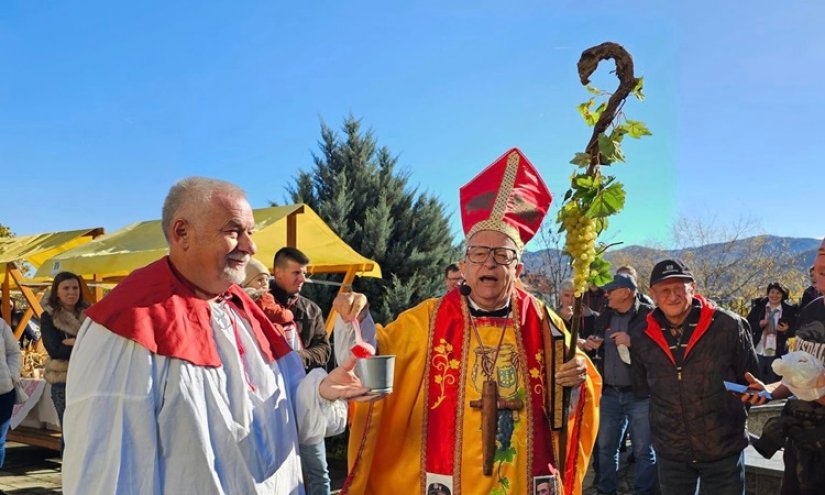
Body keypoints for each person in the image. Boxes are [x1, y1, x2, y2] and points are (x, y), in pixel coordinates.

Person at [62, 177, 369, 494]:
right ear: (182, 233)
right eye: (234, 231)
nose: (250, 247)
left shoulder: (243, 309)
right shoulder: (127, 322)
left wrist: (320, 392)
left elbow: (282, 417)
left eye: (250, 233)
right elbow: (106, 470)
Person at [332, 149, 601, 494]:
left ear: (517, 270)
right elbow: (370, 354)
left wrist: (577, 379)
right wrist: (355, 317)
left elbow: (574, 392)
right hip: (443, 479)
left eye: (502, 255)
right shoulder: (426, 320)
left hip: (520, 477)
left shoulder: (544, 321)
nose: (489, 263)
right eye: (478, 253)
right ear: (464, 267)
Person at [631, 259, 757, 495]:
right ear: (652, 294)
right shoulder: (640, 335)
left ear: (693, 287)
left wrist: (730, 422)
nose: (672, 296)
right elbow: (642, 387)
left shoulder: (729, 325)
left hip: (722, 450)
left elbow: (749, 381)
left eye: (679, 288)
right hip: (671, 453)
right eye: (664, 290)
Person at [745, 237, 825, 494]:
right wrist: (768, 390)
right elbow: (794, 377)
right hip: (799, 448)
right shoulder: (811, 311)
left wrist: (815, 389)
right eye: (822, 253)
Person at [269, 247, 333, 495]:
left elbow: (324, 350)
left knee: (318, 471)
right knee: (274, 470)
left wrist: (298, 358)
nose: (302, 279)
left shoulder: (311, 309)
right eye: (296, 272)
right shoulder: (257, 307)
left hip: (306, 402)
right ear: (278, 272)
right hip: (271, 402)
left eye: (304, 273)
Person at [589, 273, 657, 495]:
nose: (606, 293)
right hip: (609, 393)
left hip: (640, 395)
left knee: (643, 451)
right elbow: (597, 336)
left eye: (612, 289)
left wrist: (632, 342)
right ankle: (606, 490)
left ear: (627, 292)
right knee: (606, 449)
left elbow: (659, 351)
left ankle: (643, 492)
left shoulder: (649, 316)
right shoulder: (606, 314)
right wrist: (593, 342)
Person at [40, 271, 88, 449]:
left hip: (89, 378)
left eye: (75, 287)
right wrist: (84, 343)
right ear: (57, 292)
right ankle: (69, 475)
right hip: (64, 381)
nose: (71, 292)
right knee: (70, 434)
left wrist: (75, 342)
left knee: (89, 432)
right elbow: (56, 349)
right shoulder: (48, 317)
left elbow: (100, 343)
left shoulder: (90, 314)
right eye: (66, 288)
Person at [746, 282, 798, 383]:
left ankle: (772, 398)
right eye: (772, 292)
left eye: (778, 293)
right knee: (757, 378)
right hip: (759, 349)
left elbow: (795, 330)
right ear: (768, 293)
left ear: (783, 295)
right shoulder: (759, 307)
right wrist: (760, 324)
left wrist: (786, 330)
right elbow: (747, 325)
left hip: (777, 350)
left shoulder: (789, 310)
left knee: (773, 379)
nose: (774, 295)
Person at [0, 317, 22, 473]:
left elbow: (14, 352)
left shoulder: (1, 324)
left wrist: (11, 375)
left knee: (0, 442)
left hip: (4, 391)